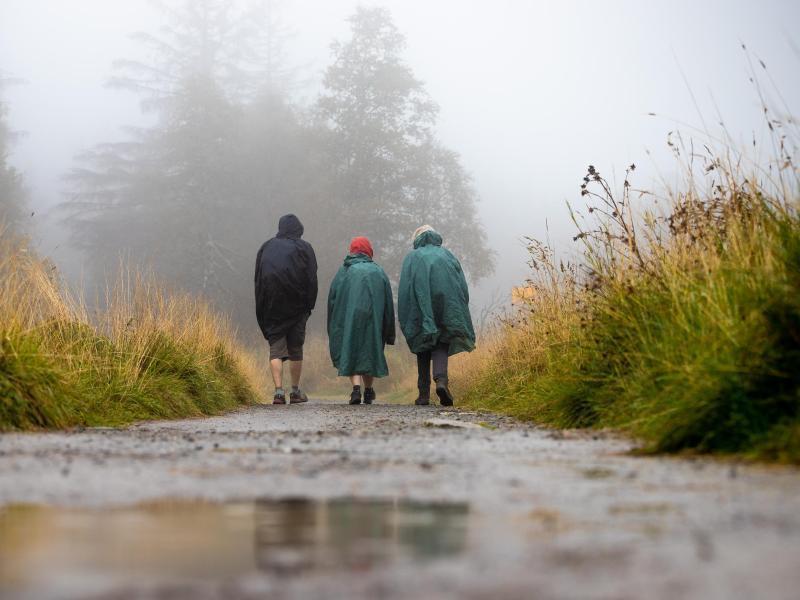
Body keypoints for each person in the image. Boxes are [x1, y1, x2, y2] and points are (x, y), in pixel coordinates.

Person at [398, 225, 475, 406]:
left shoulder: (412, 257)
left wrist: (405, 313)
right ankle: (441, 381)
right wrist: (462, 303)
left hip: (420, 303)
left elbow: (404, 289)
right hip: (448, 303)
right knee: (441, 342)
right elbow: (461, 283)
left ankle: (423, 394)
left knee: (423, 343)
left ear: (417, 239)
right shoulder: (447, 255)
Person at [255, 214, 318, 405]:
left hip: (272, 306)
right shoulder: (304, 247)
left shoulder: (266, 247)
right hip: (298, 307)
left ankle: (278, 392)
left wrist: (262, 307)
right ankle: (295, 391)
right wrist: (309, 306)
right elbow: (311, 278)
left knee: (276, 349)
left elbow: (258, 279)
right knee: (296, 348)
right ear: (298, 229)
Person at [327, 236, 396, 405]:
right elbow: (388, 302)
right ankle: (369, 390)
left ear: (352, 250)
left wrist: (332, 325)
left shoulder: (344, 271)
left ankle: (356, 389)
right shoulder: (378, 272)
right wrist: (389, 331)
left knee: (351, 349)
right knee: (370, 351)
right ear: (368, 250)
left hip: (348, 318)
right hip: (374, 318)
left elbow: (332, 299)